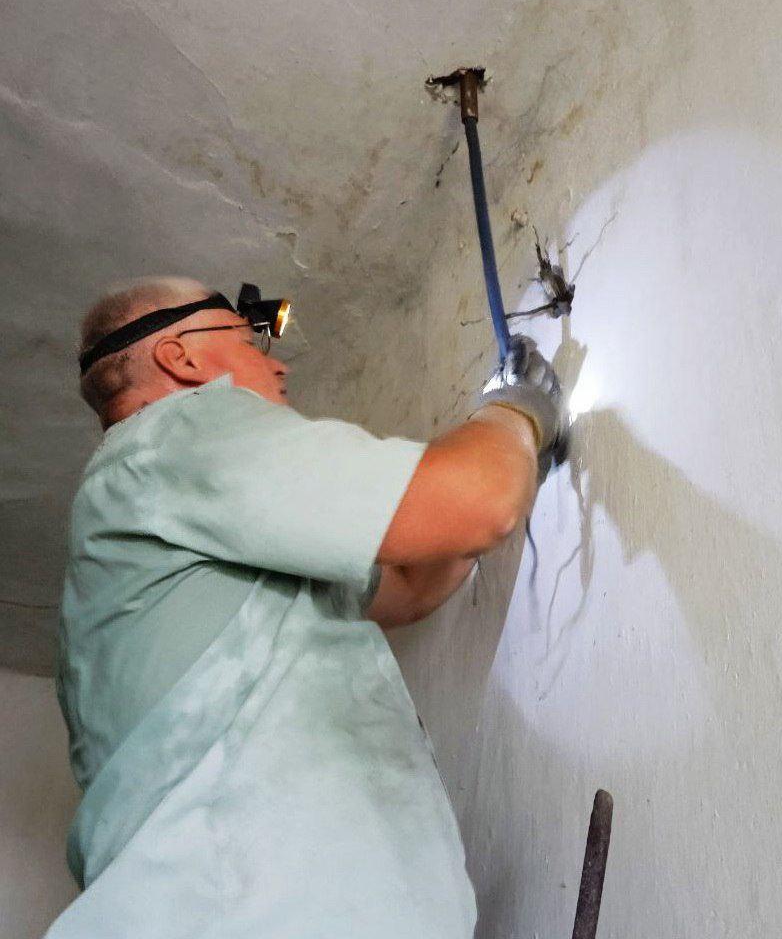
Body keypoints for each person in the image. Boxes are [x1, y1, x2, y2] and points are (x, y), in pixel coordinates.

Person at [49, 276, 566, 938]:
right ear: (181, 358)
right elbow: (474, 504)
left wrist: (507, 465)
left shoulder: (198, 529)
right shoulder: (173, 436)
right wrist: (515, 411)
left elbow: (411, 586)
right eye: (249, 339)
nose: (279, 364)